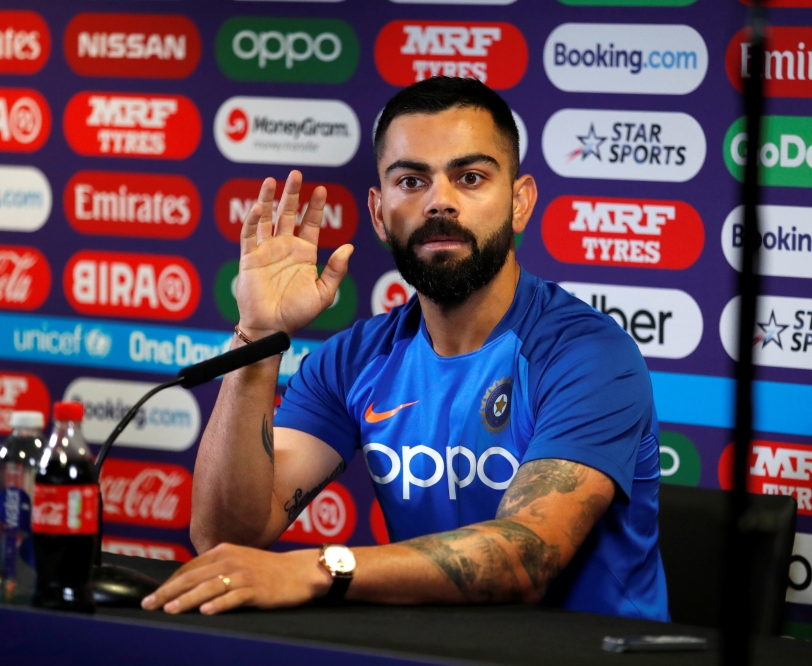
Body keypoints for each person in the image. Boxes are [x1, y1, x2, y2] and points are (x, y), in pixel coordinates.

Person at [142, 77, 669, 621]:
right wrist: (257, 336)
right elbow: (227, 535)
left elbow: (525, 557)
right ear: (378, 212)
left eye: (470, 177)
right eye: (412, 181)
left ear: (519, 202)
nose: (439, 201)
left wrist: (314, 570)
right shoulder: (353, 360)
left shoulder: (588, 356)